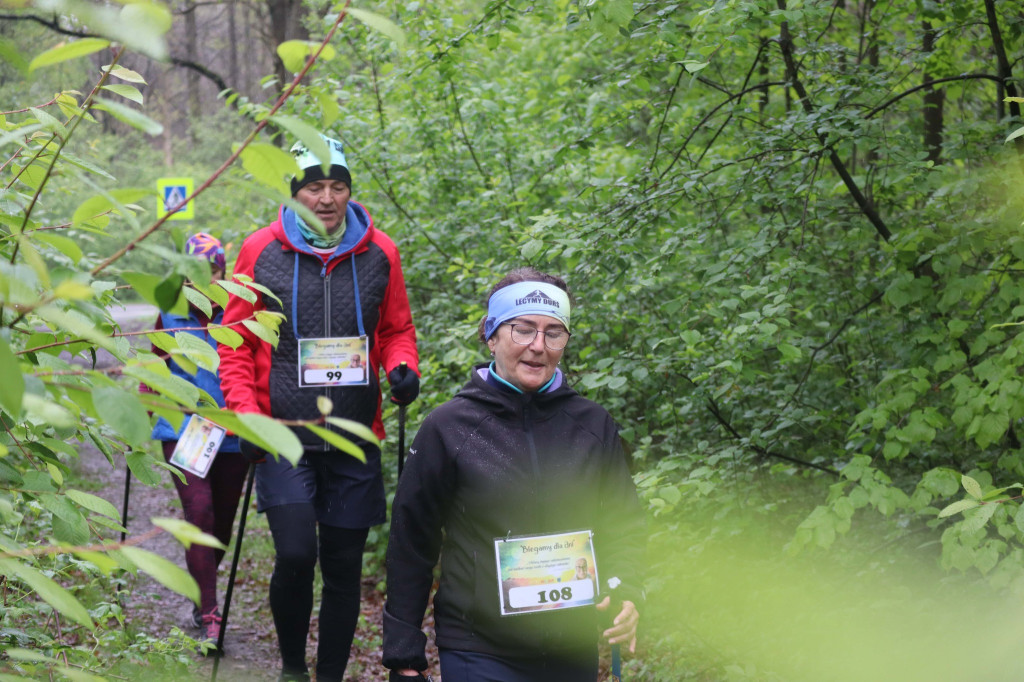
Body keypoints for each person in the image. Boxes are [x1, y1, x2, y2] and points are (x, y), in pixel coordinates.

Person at [217, 134, 420, 682]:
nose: (327, 198)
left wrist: (404, 369)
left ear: (349, 190)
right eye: (314, 187)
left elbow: (397, 330)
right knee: (298, 552)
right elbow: (234, 343)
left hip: (355, 433)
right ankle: (291, 667)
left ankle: (328, 674)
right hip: (282, 432)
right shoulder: (261, 250)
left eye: (337, 186)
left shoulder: (381, 252)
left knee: (344, 568)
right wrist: (246, 415)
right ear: (296, 193)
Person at [383, 267, 644, 682]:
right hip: (478, 645)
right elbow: (412, 541)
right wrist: (403, 654)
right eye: (523, 330)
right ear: (492, 335)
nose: (538, 346)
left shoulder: (592, 425)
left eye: (553, 332)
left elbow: (624, 522)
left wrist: (626, 589)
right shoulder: (450, 428)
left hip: (571, 643)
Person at [146, 232, 247, 652]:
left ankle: (198, 585)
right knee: (199, 513)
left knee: (220, 525)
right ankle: (210, 615)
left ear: (223, 273)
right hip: (185, 428)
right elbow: (152, 370)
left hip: (230, 427)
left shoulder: (239, 312)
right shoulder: (168, 315)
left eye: (212, 272)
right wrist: (148, 409)